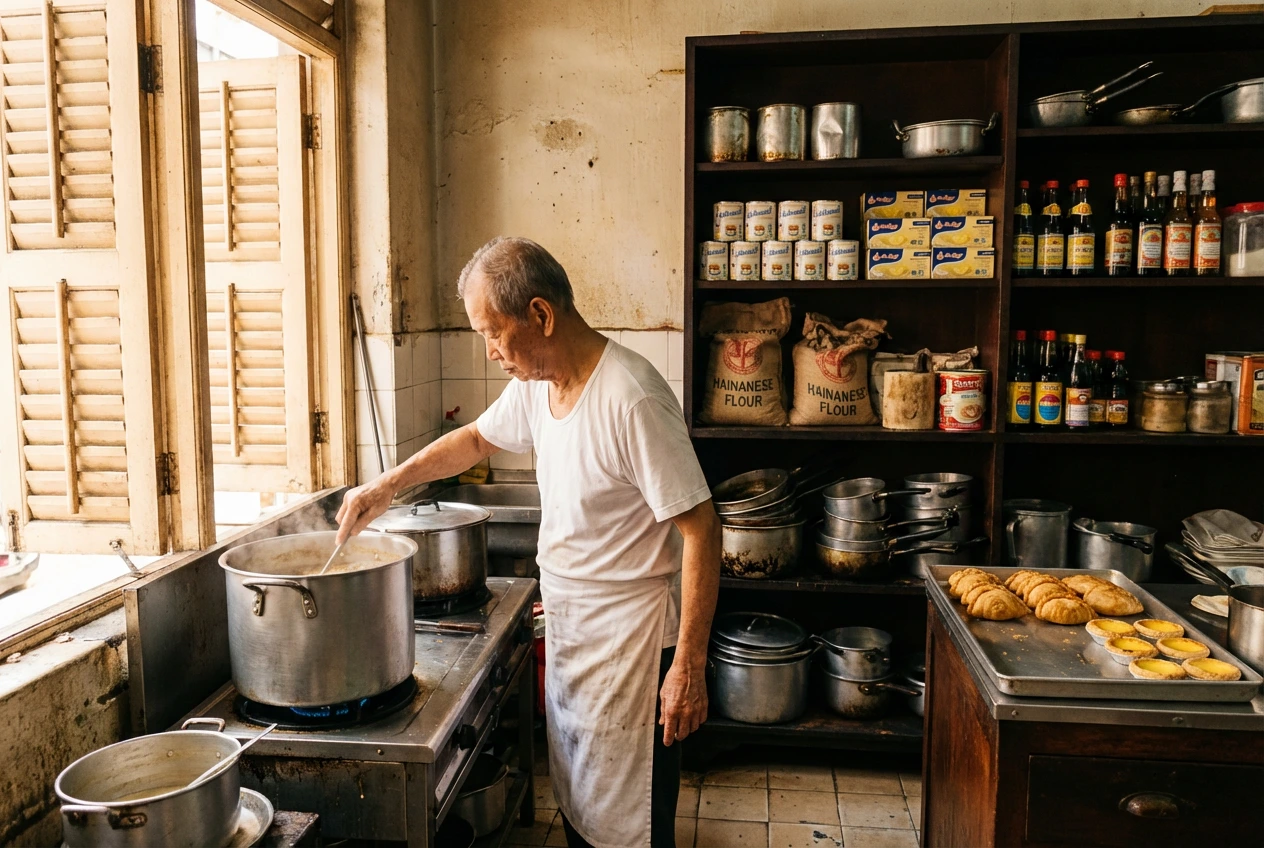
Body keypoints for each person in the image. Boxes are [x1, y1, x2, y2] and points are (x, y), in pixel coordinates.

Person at [334, 236, 721, 848]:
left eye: (493, 332)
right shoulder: (538, 385)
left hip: (633, 649)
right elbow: (476, 440)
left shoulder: (631, 395)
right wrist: (388, 485)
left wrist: (689, 667)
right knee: (579, 811)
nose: (490, 353)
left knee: (630, 829)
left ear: (541, 315)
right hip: (574, 639)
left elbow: (702, 528)